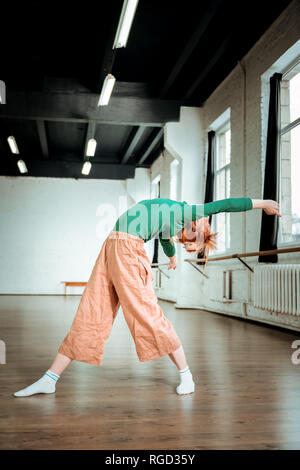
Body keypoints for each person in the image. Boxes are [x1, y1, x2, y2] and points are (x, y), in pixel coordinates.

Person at [13, 197, 280, 398]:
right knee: (92, 312)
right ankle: (50, 378)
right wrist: (262, 203)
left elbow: (165, 239)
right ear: (195, 227)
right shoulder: (189, 212)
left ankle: (186, 375)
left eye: (185, 243)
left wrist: (173, 257)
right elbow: (227, 204)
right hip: (113, 247)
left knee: (147, 315)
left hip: (126, 249)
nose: (179, 239)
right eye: (186, 240)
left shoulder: (173, 217)